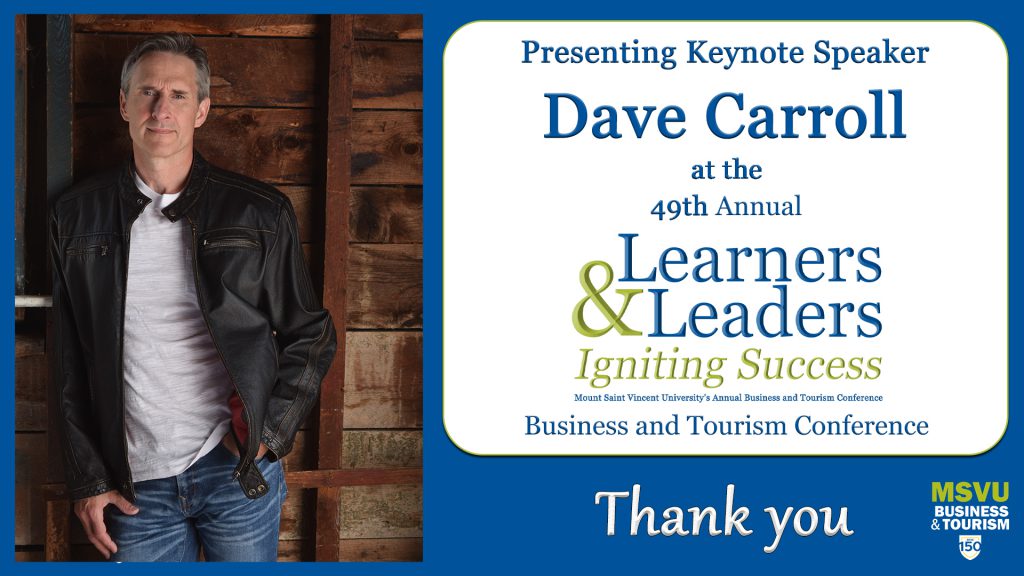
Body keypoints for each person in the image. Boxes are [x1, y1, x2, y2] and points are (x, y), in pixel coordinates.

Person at [48, 33, 337, 562]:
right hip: (133, 484)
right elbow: (68, 358)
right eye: (148, 92)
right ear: (123, 104)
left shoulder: (259, 212)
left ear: (202, 110)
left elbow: (311, 333)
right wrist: (87, 478)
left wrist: (265, 436)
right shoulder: (75, 217)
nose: (162, 109)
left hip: (233, 470)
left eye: (179, 95)